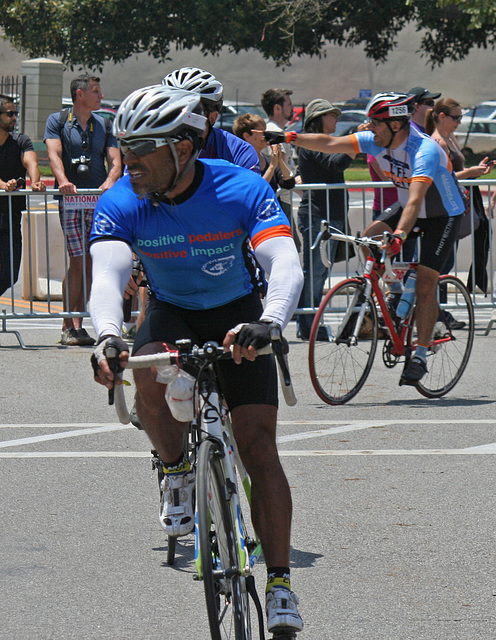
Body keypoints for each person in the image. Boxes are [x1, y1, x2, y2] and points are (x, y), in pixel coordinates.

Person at [88, 85, 304, 635]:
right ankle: (178, 469)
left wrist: (271, 321)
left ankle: (279, 584)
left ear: (182, 148)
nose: (128, 161)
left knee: (259, 447)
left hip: (238, 314)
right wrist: (108, 335)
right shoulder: (121, 199)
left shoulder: (240, 188)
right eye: (124, 148)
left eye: (142, 149)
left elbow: (283, 260)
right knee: (147, 378)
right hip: (171, 312)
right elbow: (107, 276)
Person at [262, 92, 466, 385]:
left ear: (395, 124)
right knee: (367, 238)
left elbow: (415, 202)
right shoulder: (377, 140)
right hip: (410, 205)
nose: (369, 127)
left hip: (442, 214)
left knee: (425, 281)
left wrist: (398, 236)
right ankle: (396, 293)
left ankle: (420, 354)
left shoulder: (425, 151)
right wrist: (289, 136)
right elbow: (330, 143)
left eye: (375, 122)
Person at [44, 73, 122, 346]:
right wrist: (64, 181)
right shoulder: (58, 121)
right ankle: (68, 325)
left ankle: (79, 324)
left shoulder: (104, 123)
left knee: (91, 263)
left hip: (98, 201)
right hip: (72, 200)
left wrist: (110, 182)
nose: (101, 96)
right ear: (80, 94)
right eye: (96, 91)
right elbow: (53, 155)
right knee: (77, 261)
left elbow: (115, 161)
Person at [294, 98, 355, 340]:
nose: (336, 119)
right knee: (315, 272)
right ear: (318, 119)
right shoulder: (311, 144)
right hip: (318, 216)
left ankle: (309, 322)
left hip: (331, 215)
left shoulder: (325, 143)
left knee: (320, 272)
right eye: (332, 115)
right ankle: (308, 324)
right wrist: (355, 140)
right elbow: (336, 163)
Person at [425, 97, 495, 304]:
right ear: (441, 116)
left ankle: (440, 310)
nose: (459, 121)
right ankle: (437, 310)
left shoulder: (449, 137)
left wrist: (474, 171)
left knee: (447, 261)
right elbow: (440, 178)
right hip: (443, 207)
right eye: (455, 117)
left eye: (461, 117)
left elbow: (454, 172)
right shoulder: (438, 142)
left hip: (453, 205)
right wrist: (471, 172)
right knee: (443, 263)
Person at [0, 94, 46, 297]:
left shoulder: (20, 141)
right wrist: (4, 185)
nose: (14, 118)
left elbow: (31, 163)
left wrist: (35, 180)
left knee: (10, 275)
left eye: (15, 113)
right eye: (10, 114)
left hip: (11, 215)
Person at [232, 112, 296, 193]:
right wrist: (272, 167)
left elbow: (289, 183)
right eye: (261, 132)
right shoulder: (240, 162)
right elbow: (257, 189)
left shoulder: (269, 160)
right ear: (247, 136)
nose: (265, 135)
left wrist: (279, 160)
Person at [261, 88, 298, 218]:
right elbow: (280, 167)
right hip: (281, 199)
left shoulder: (277, 131)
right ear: (277, 108)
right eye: (289, 104)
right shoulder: (275, 133)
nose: (293, 108)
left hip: (282, 198)